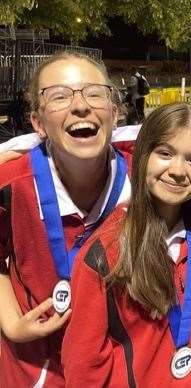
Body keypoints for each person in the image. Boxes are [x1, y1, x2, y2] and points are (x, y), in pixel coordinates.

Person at [62, 102, 191, 387]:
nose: (177, 170)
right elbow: (82, 364)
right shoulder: (106, 251)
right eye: (165, 153)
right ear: (142, 156)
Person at [0, 51, 131, 386]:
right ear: (38, 123)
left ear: (115, 113)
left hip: (117, 366)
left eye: (94, 92)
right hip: (35, 368)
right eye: (59, 95)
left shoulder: (146, 182)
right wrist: (11, 321)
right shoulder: (12, 184)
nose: (80, 105)